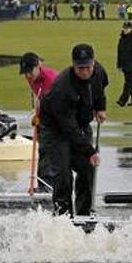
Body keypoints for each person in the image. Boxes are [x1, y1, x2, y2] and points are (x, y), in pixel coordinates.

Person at [39, 44, 108, 217]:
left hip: (81, 124)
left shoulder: (98, 71)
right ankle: (63, 218)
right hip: (56, 129)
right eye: (80, 68)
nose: (85, 72)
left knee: (87, 169)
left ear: (93, 63)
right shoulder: (62, 87)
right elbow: (69, 128)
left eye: (88, 67)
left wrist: (100, 107)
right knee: (63, 174)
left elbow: (100, 90)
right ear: (73, 65)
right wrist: (90, 151)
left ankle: (84, 215)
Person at [19, 52, 59, 191]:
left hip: (61, 112)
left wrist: (43, 118)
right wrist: (36, 115)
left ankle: (49, 185)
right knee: (43, 150)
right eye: (25, 72)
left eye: (30, 71)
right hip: (46, 112)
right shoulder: (30, 77)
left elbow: (57, 104)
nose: (28, 75)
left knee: (49, 149)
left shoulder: (51, 78)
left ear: (38, 66)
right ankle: (44, 184)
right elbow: (37, 97)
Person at [116, 21, 132, 107]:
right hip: (125, 65)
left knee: (128, 83)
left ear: (131, 28)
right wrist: (119, 65)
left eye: (127, 28)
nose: (125, 29)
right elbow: (119, 52)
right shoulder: (122, 38)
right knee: (131, 83)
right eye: (124, 28)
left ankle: (122, 100)